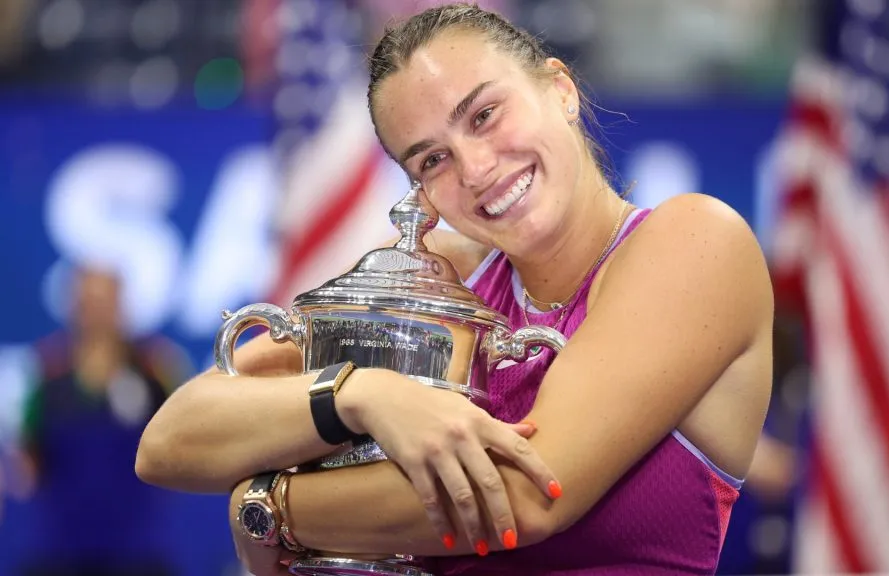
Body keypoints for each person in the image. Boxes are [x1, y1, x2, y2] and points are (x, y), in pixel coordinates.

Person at [136, 3, 774, 574]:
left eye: (486, 114)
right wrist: (360, 393)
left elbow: (526, 497)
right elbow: (169, 442)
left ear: (560, 89)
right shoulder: (443, 282)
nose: (474, 168)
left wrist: (267, 506)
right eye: (430, 160)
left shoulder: (695, 241)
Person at [17, 266, 190, 576]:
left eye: (105, 301)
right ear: (73, 305)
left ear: (121, 304)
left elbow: (183, 442)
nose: (97, 312)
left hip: (137, 554)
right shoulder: (48, 372)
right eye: (88, 301)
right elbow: (28, 460)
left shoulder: (156, 368)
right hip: (60, 553)